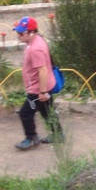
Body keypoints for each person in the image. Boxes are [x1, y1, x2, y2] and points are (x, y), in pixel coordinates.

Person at [13, 16, 61, 149]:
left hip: (38, 89)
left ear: (31, 32)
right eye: (18, 32)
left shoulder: (35, 49)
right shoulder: (36, 40)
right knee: (46, 111)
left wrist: (42, 92)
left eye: (21, 33)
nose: (19, 35)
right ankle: (58, 134)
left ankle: (31, 137)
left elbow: (43, 70)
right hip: (44, 86)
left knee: (25, 113)